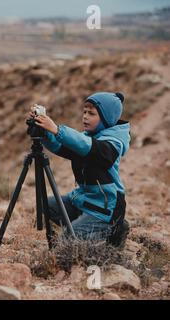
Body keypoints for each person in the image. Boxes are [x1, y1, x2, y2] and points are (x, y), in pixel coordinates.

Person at [29, 92, 130, 248]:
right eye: (84, 112)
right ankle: (83, 225)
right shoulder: (88, 138)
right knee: (46, 205)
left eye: (91, 113)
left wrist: (57, 130)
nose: (85, 116)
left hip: (104, 209)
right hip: (83, 201)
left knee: (67, 241)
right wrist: (44, 133)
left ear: (107, 119)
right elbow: (62, 147)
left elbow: (88, 147)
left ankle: (114, 228)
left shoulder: (112, 145)